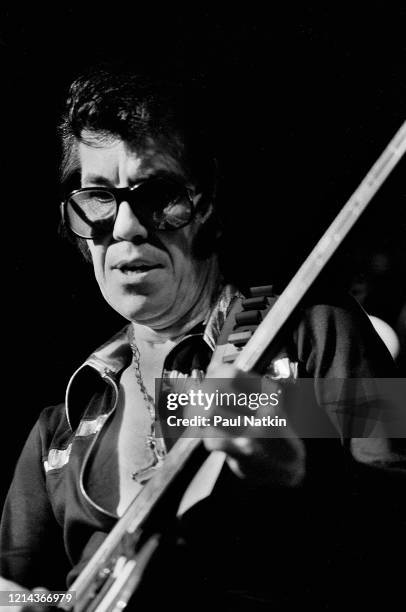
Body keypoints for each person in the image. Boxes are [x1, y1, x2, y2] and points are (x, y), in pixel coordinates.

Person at [0, 67, 404, 611]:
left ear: (206, 204)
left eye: (157, 195)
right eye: (97, 197)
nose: (123, 228)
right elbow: (30, 585)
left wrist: (298, 479)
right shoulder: (64, 427)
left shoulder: (311, 332)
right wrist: (32, 603)